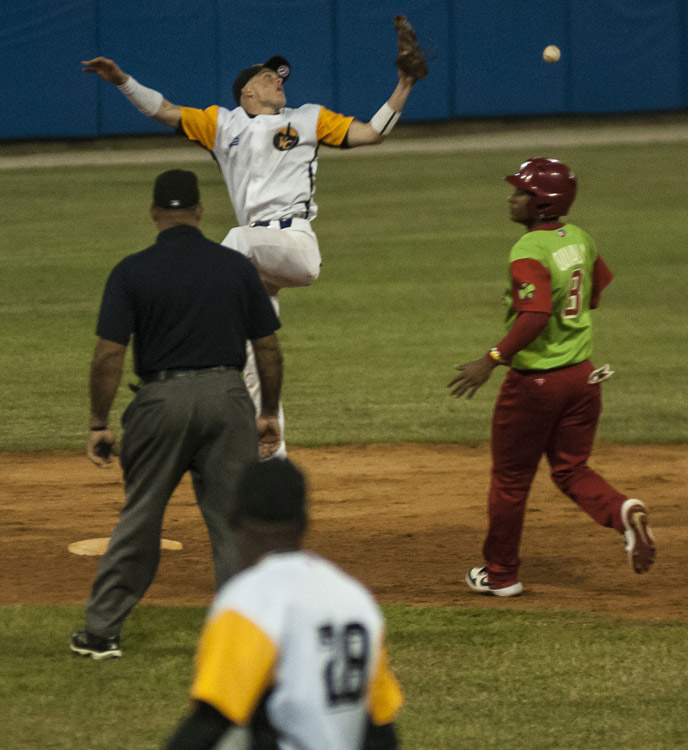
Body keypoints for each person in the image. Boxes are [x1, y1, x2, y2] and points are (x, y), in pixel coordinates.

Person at [82, 49, 421, 458]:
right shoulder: (221, 124)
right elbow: (164, 110)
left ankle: (181, 333)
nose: (279, 81)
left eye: (280, 77)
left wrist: (405, 85)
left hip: (293, 247)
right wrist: (122, 80)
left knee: (236, 240)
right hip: (257, 268)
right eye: (268, 77)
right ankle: (271, 457)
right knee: (253, 359)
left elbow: (372, 133)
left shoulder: (308, 118)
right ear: (246, 92)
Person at [71, 169, 283, 660]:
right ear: (200, 211)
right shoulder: (235, 267)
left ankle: (102, 633)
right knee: (234, 522)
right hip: (229, 399)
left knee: (141, 516)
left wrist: (99, 423)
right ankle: (243, 636)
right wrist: (268, 411)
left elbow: (108, 355)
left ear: (153, 213)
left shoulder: (132, 270)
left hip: (160, 402)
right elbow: (267, 348)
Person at [448, 157, 656, 597]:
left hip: (536, 386)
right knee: (571, 468)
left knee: (510, 480)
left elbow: (536, 315)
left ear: (542, 203)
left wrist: (491, 358)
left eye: (522, 192)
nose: (513, 197)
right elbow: (595, 293)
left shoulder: (528, 250)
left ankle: (500, 576)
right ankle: (622, 512)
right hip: (583, 378)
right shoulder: (579, 238)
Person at [164, 458, 403, 750]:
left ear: (233, 518)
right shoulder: (356, 599)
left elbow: (211, 722)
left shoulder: (248, 600)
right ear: (304, 523)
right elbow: (380, 731)